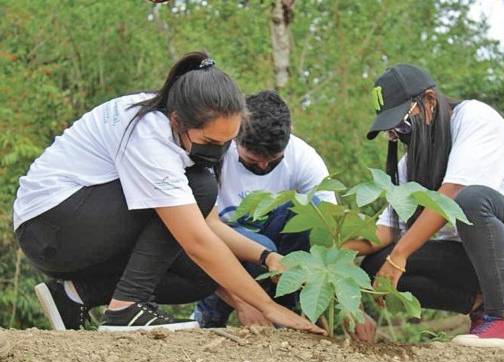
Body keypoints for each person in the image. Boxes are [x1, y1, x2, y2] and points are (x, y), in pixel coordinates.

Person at [13, 51, 325, 335]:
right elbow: (196, 240)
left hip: (78, 229)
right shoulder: (148, 134)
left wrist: (267, 257)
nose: (219, 151)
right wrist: (270, 306)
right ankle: (126, 309)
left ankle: (73, 295)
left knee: (203, 277)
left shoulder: (180, 135)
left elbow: (210, 226)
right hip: (51, 226)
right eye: (212, 141)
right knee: (201, 189)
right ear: (178, 121)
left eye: (228, 141)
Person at [347, 64, 504, 347]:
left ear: (429, 101)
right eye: (393, 133)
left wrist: (400, 255)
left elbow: (452, 195)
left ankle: (500, 320)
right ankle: (481, 309)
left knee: (471, 200)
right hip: (479, 260)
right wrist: (332, 248)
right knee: (376, 263)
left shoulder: (476, 118)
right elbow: (386, 230)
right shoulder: (415, 161)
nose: (401, 137)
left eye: (402, 125)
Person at [193, 90, 335, 327]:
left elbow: (331, 232)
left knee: (315, 211)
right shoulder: (213, 155)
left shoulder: (304, 159)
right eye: (252, 160)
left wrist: (351, 302)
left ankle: (288, 311)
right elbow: (196, 235)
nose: (263, 166)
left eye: (273, 161)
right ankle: (210, 319)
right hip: (220, 253)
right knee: (262, 247)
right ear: (235, 138)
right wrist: (244, 302)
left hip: (277, 260)